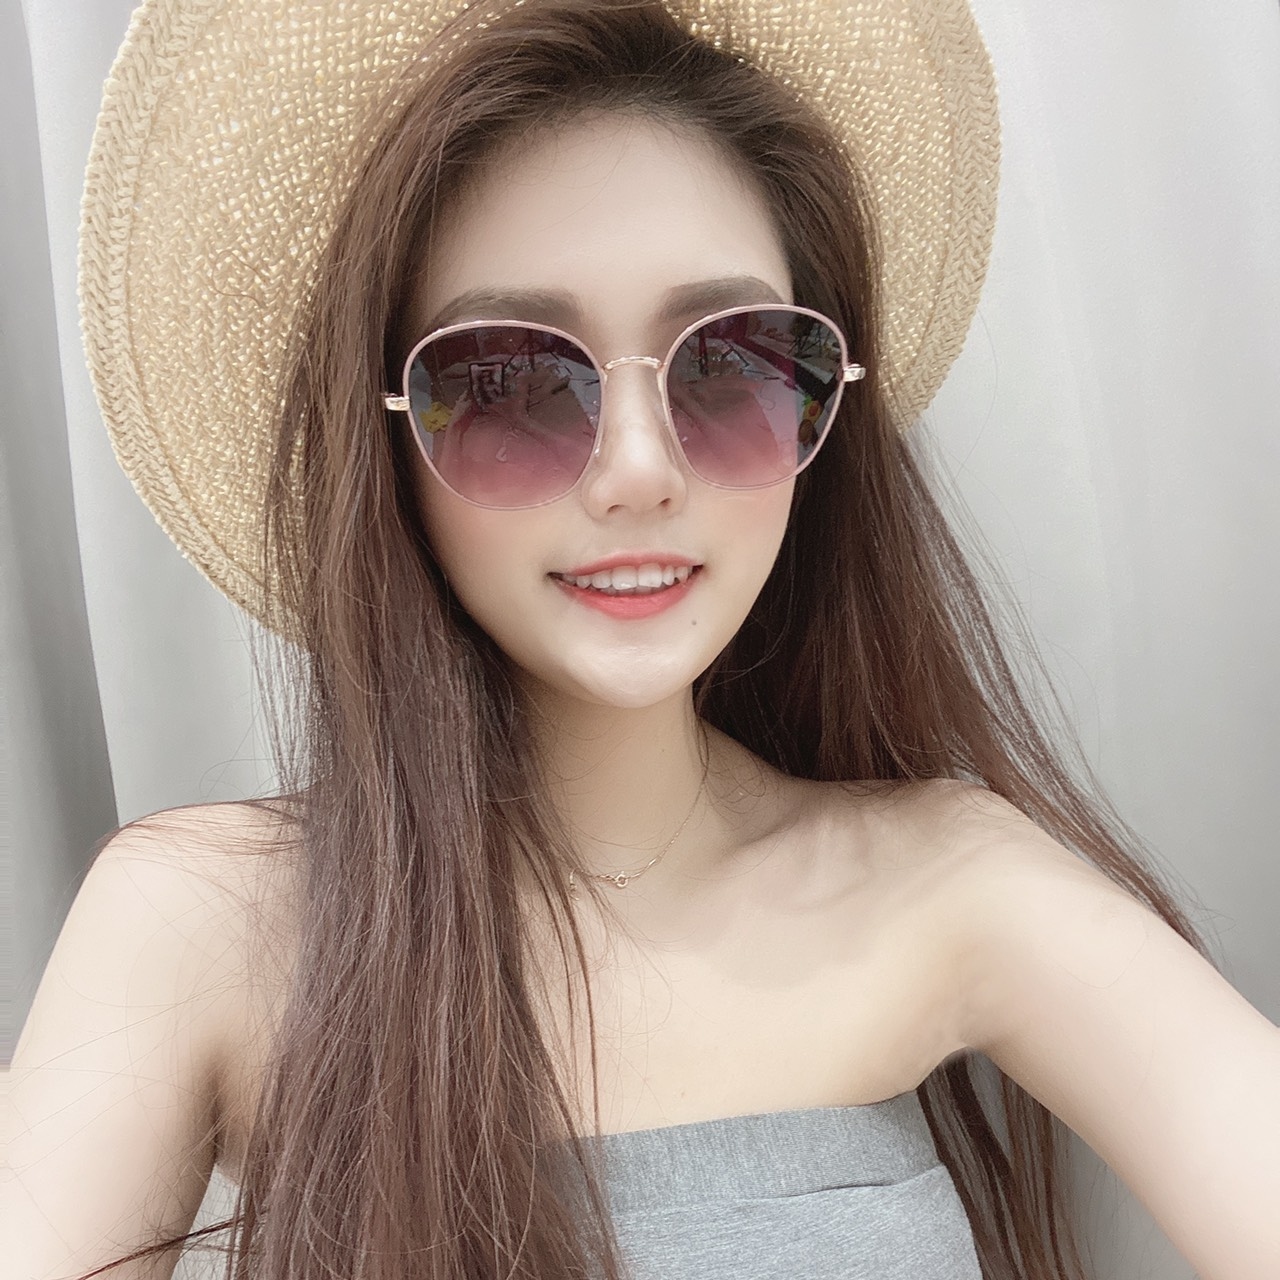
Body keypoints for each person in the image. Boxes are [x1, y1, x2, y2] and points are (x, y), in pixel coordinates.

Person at [7, 1, 1278, 1278]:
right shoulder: (203, 926)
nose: (636, 471)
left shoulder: (952, 885)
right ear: (384, 434)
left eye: (728, 363)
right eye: (509, 380)